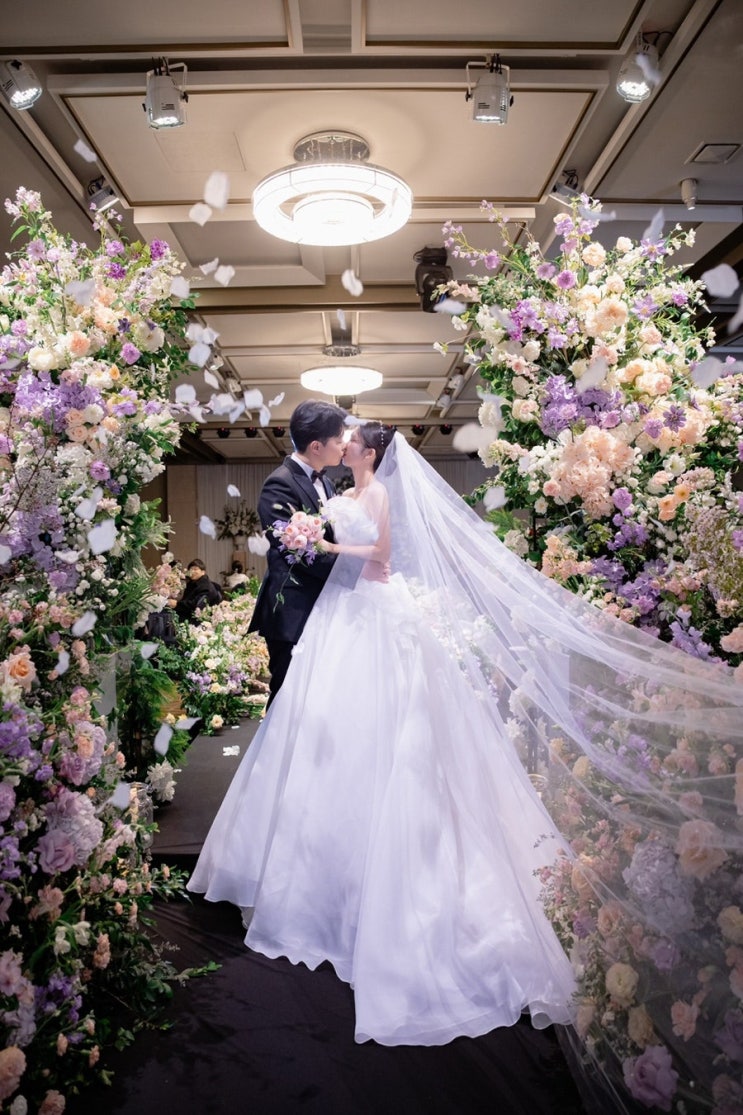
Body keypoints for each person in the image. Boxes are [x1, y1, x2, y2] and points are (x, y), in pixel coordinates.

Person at [188, 424, 743, 1068]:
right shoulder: (332, 490)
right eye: (340, 437)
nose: (345, 444)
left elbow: (380, 555)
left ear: (369, 453)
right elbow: (324, 549)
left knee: (387, 729)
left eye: (353, 440)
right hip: (339, 617)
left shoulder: (374, 495)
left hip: (371, 612)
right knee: (321, 736)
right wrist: (319, 539)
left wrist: (328, 543)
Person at [248, 398, 347, 707]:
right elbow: (298, 553)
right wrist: (351, 569)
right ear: (316, 446)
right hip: (292, 609)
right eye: (338, 440)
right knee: (287, 699)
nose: (344, 445)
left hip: (322, 607)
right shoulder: (279, 484)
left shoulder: (327, 483)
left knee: (317, 701)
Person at [175, 558, 222, 623]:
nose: (192, 571)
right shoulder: (192, 584)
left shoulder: (205, 586)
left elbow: (196, 606)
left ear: (203, 572)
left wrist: (176, 604)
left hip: (197, 620)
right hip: (187, 614)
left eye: (195, 569)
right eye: (190, 569)